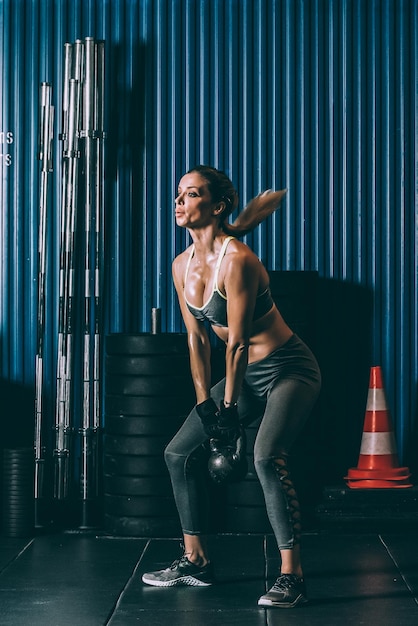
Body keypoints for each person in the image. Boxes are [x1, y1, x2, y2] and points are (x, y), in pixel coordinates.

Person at [142, 165, 321, 608]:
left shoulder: (237, 259)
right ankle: (196, 558)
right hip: (241, 377)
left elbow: (237, 344)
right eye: (179, 193)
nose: (179, 201)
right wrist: (206, 406)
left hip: (287, 368)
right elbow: (196, 339)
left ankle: (291, 575)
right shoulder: (181, 265)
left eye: (192, 194)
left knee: (265, 456)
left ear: (217, 206)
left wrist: (226, 409)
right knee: (178, 452)